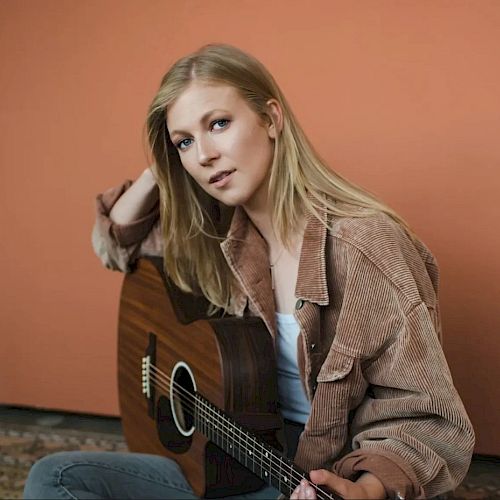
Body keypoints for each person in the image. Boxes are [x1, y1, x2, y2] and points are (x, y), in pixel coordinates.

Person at [24, 43, 474, 500]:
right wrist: (162, 168)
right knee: (56, 477)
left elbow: (426, 419)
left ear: (272, 118)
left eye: (218, 124)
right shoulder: (216, 234)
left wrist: (363, 491)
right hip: (225, 455)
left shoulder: (366, 246)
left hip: (316, 474)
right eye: (184, 141)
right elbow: (117, 246)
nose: (203, 155)